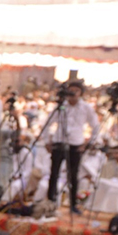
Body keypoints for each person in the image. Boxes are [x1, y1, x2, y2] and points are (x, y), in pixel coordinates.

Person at [40, 81, 100, 214]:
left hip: (75, 145)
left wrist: (88, 143)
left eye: (76, 91)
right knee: (54, 174)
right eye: (70, 91)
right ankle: (51, 202)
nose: (73, 94)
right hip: (59, 142)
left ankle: (73, 204)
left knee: (73, 176)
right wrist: (46, 141)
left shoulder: (86, 108)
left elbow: (95, 126)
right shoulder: (61, 106)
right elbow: (48, 123)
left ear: (81, 93)